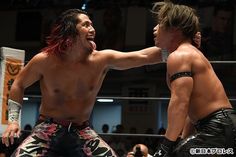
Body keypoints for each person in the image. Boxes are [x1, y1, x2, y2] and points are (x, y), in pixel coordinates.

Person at [1, 8, 171, 157]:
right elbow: (18, 84)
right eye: (86, 25)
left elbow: (144, 56)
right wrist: (14, 120)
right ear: (70, 31)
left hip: (81, 131)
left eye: (92, 24)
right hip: (47, 129)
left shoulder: (102, 59)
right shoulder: (44, 60)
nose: (93, 29)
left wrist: (182, 44)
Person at [152, 2, 236, 157]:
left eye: (160, 24)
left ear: (174, 29)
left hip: (218, 129)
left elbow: (180, 104)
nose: (155, 29)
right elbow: (190, 109)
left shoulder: (180, 56)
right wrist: (181, 141)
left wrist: (166, 146)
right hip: (221, 128)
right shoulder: (185, 54)